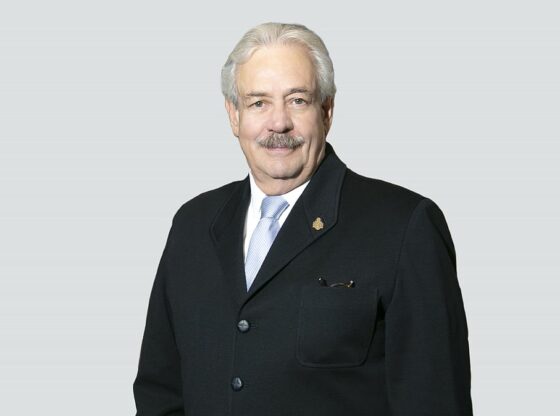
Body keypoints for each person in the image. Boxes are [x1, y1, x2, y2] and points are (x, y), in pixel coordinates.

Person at [133, 22, 473, 416]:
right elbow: (160, 392)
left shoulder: (404, 226)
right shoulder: (192, 224)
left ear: (326, 110)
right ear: (233, 115)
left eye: (297, 100)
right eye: (258, 103)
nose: (278, 123)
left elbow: (435, 402)